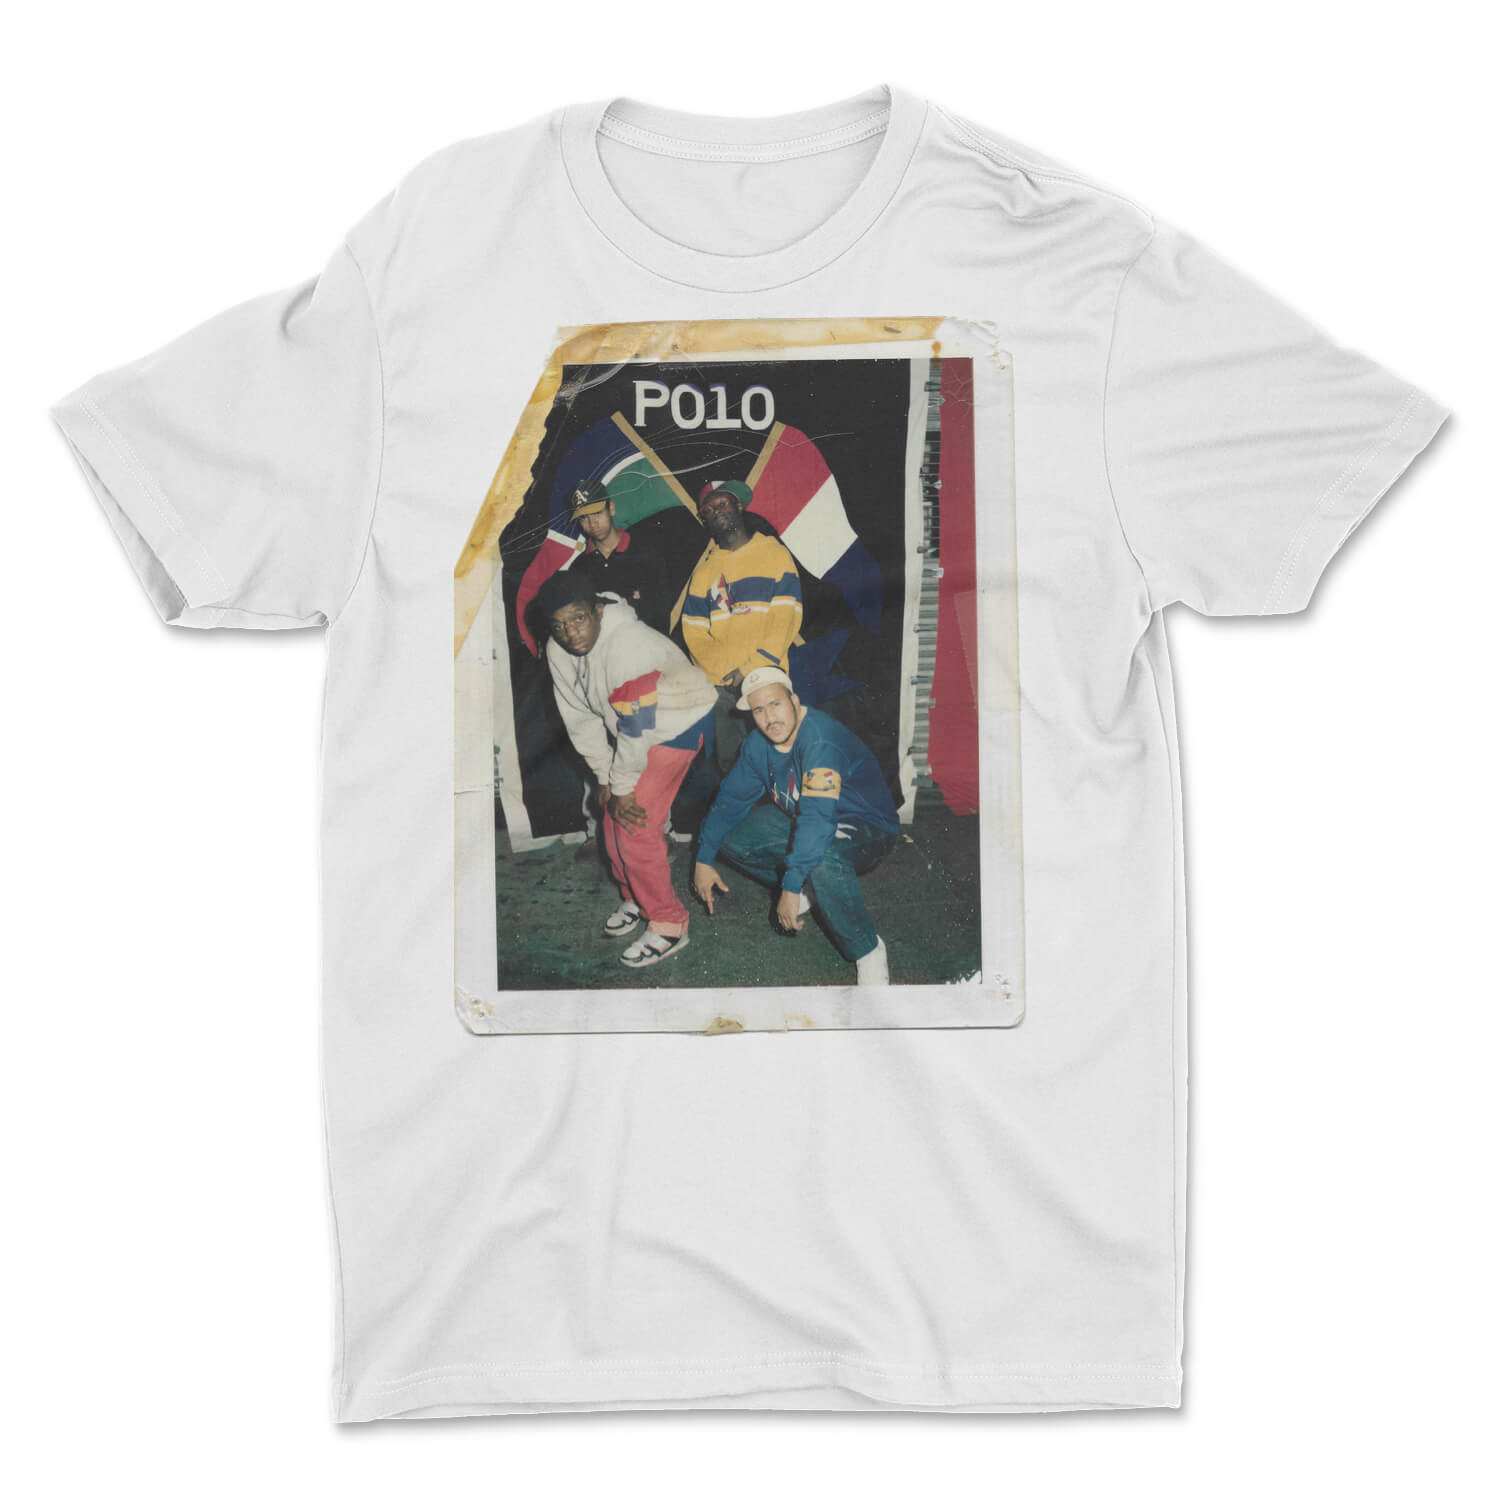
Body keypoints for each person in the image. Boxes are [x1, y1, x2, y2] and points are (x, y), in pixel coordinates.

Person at [540, 570, 716, 969]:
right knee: (611, 816)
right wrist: (605, 776)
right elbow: (579, 718)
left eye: (578, 618)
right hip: (634, 728)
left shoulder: (629, 646)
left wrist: (620, 785)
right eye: (559, 625)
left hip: (679, 722)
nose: (570, 633)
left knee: (635, 821)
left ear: (598, 610)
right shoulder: (558, 649)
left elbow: (637, 730)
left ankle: (670, 923)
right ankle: (636, 896)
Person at [692, 666, 900, 984]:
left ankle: (867, 949)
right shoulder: (758, 745)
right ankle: (811, 887)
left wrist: (790, 886)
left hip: (865, 824)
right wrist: (703, 858)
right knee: (730, 836)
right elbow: (730, 801)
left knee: (822, 858)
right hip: (805, 816)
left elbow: (818, 819)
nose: (769, 719)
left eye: (775, 704)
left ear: (795, 701)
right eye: (759, 710)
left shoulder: (820, 739)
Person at [674, 480, 803, 772]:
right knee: (732, 767)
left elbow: (786, 617)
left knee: (778, 757)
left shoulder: (773, 554)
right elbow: (693, 630)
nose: (716, 512)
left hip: (767, 675)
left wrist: (752, 667)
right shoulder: (704, 572)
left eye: (722, 504)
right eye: (708, 511)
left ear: (739, 506)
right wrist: (723, 672)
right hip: (723, 687)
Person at [567, 479, 673, 635]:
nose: (592, 523)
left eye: (597, 513)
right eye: (584, 518)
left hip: (647, 643)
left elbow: (661, 614)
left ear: (611, 508)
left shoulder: (645, 551)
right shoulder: (578, 568)